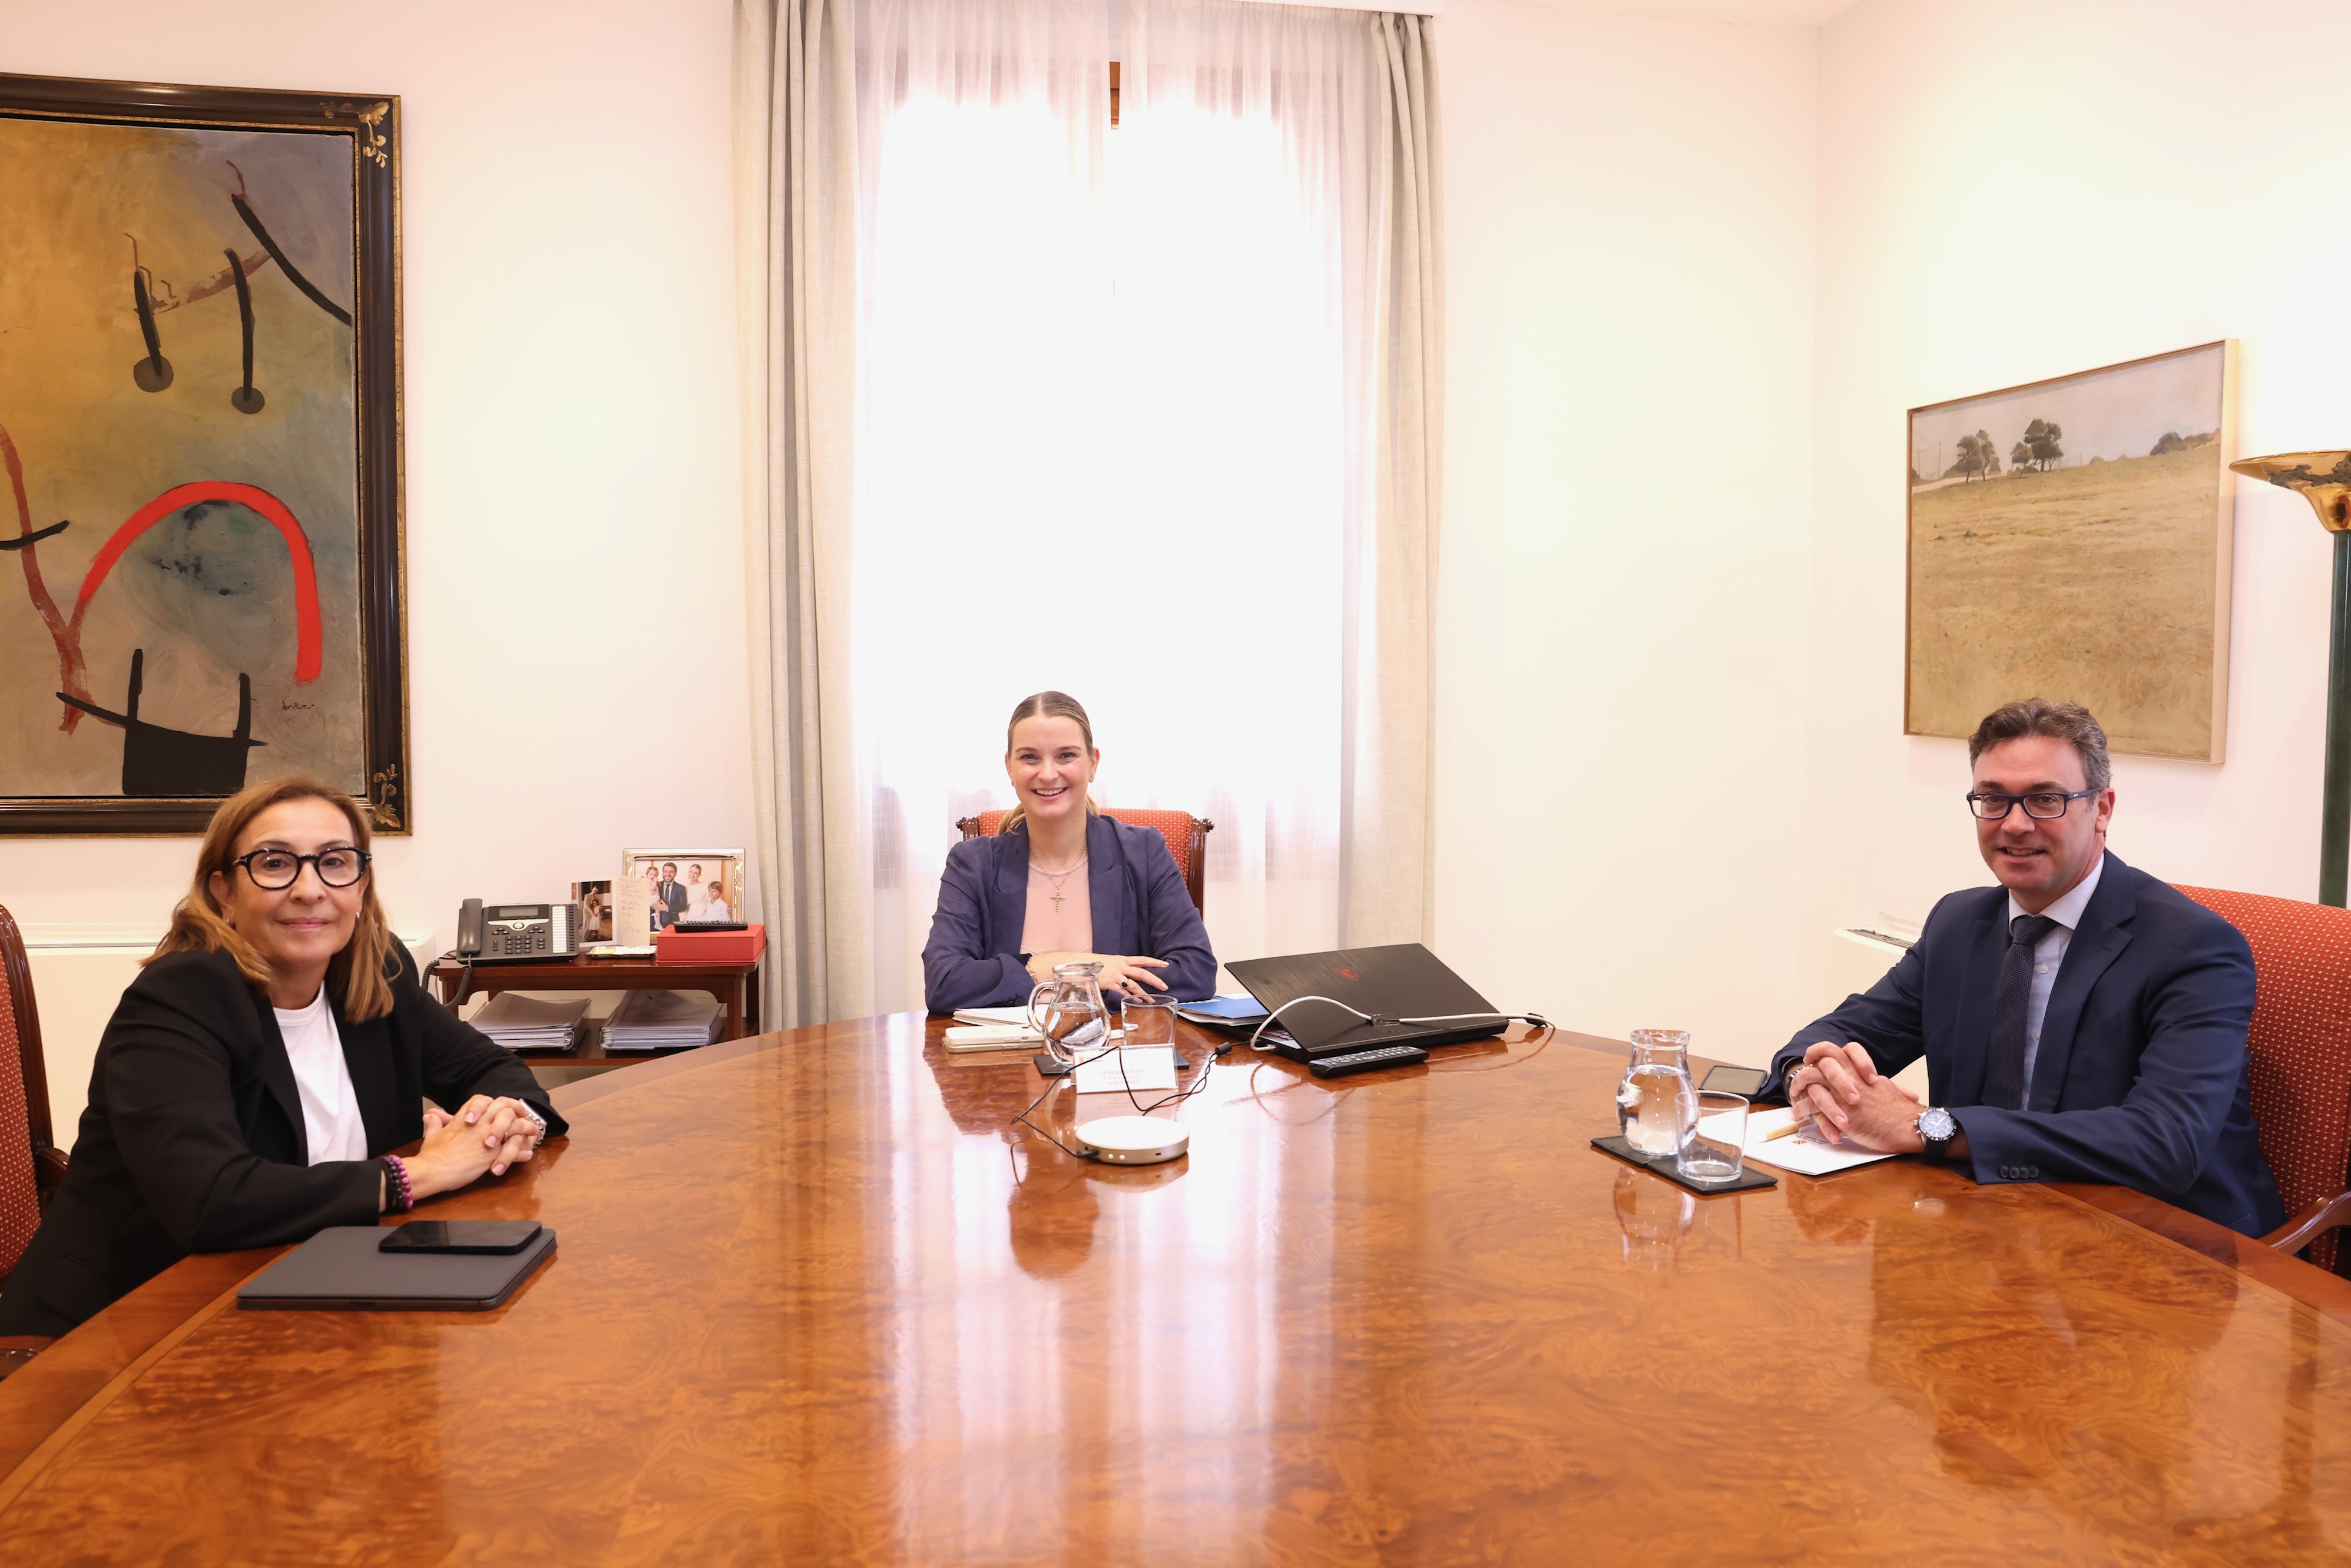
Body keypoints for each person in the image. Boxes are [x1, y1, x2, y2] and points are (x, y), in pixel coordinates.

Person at [0, 776, 568, 1338]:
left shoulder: (376, 970)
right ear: (223, 890)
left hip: (314, 1289)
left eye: (336, 862)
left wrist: (504, 1124)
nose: (309, 888)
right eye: (275, 864)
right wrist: (427, 1170)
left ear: (361, 885)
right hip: (126, 1324)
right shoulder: (180, 996)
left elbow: (496, 1072)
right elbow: (213, 1200)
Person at [1769, 698, 2283, 1237]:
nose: (2015, 824)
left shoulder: (2193, 946)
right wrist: (1808, 1077)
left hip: (2163, 1242)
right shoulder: (1959, 922)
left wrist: (1929, 1129)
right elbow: (1839, 1033)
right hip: (1990, 1224)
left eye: (2045, 799)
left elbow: (2165, 1143)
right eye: (1993, 799)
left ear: (2102, 808)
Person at [923, 690, 1216, 1011]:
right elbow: (944, 982)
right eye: (1029, 757)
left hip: (1115, 1055)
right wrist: (1057, 966)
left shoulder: (1144, 851)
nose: (1048, 774)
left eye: (1066, 756)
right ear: (1009, 767)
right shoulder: (972, 864)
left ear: (1093, 764)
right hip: (1004, 1058)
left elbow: (1195, 971)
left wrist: (1076, 991)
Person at [651, 861, 688, 933]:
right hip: (654, 922)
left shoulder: (681, 888)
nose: (668, 874)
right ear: (662, 873)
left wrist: (667, 908)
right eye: (666, 871)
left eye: (671, 872)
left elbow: (683, 906)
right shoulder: (655, 886)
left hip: (673, 923)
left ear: (676, 873)